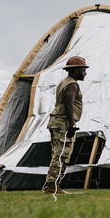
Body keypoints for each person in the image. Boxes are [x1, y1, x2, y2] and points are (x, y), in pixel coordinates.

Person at [44, 56, 88, 194]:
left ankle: (54, 185)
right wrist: (72, 124)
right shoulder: (72, 84)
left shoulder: (64, 82)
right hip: (63, 122)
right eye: (83, 70)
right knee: (62, 155)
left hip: (57, 121)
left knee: (58, 153)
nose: (85, 73)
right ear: (75, 71)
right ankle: (52, 186)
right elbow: (69, 104)